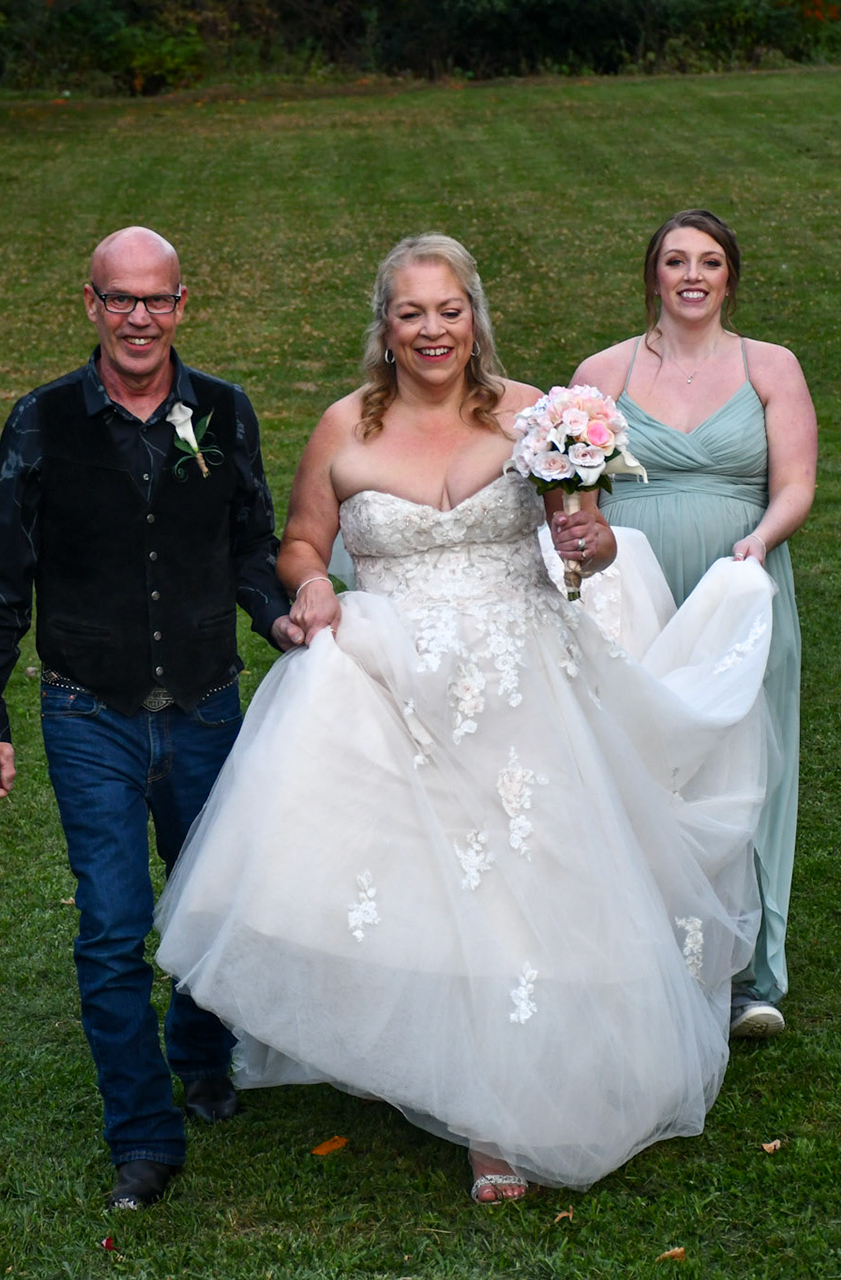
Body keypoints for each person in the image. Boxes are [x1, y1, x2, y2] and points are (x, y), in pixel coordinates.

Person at [154, 233, 777, 1199]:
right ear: (385, 327)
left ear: (474, 318)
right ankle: (420, 1057)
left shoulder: (538, 415)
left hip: (524, 676)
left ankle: (499, 1120)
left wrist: (593, 539)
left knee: (525, 895)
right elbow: (302, 543)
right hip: (391, 678)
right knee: (419, 893)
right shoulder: (344, 426)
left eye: (449, 310)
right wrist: (311, 583)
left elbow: (588, 543)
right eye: (412, 313)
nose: (433, 330)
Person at [0, 226, 301, 1211]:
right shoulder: (43, 420)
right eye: (120, 299)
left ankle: (202, 1053)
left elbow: (251, 543)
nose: (138, 318)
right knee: (110, 928)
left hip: (204, 704)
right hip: (88, 711)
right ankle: (143, 1136)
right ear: (91, 303)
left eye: (156, 299)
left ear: (183, 304)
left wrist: (277, 617)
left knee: (209, 902)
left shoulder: (224, 411)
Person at [571, 209, 816, 1039]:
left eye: (709, 262)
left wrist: (761, 541)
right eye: (675, 261)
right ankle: (637, 958)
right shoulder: (602, 372)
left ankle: (747, 973)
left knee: (747, 767)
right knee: (638, 765)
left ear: (729, 276)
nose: (692, 276)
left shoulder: (770, 366)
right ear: (653, 275)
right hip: (629, 588)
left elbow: (796, 483)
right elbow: (572, 487)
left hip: (737, 587)